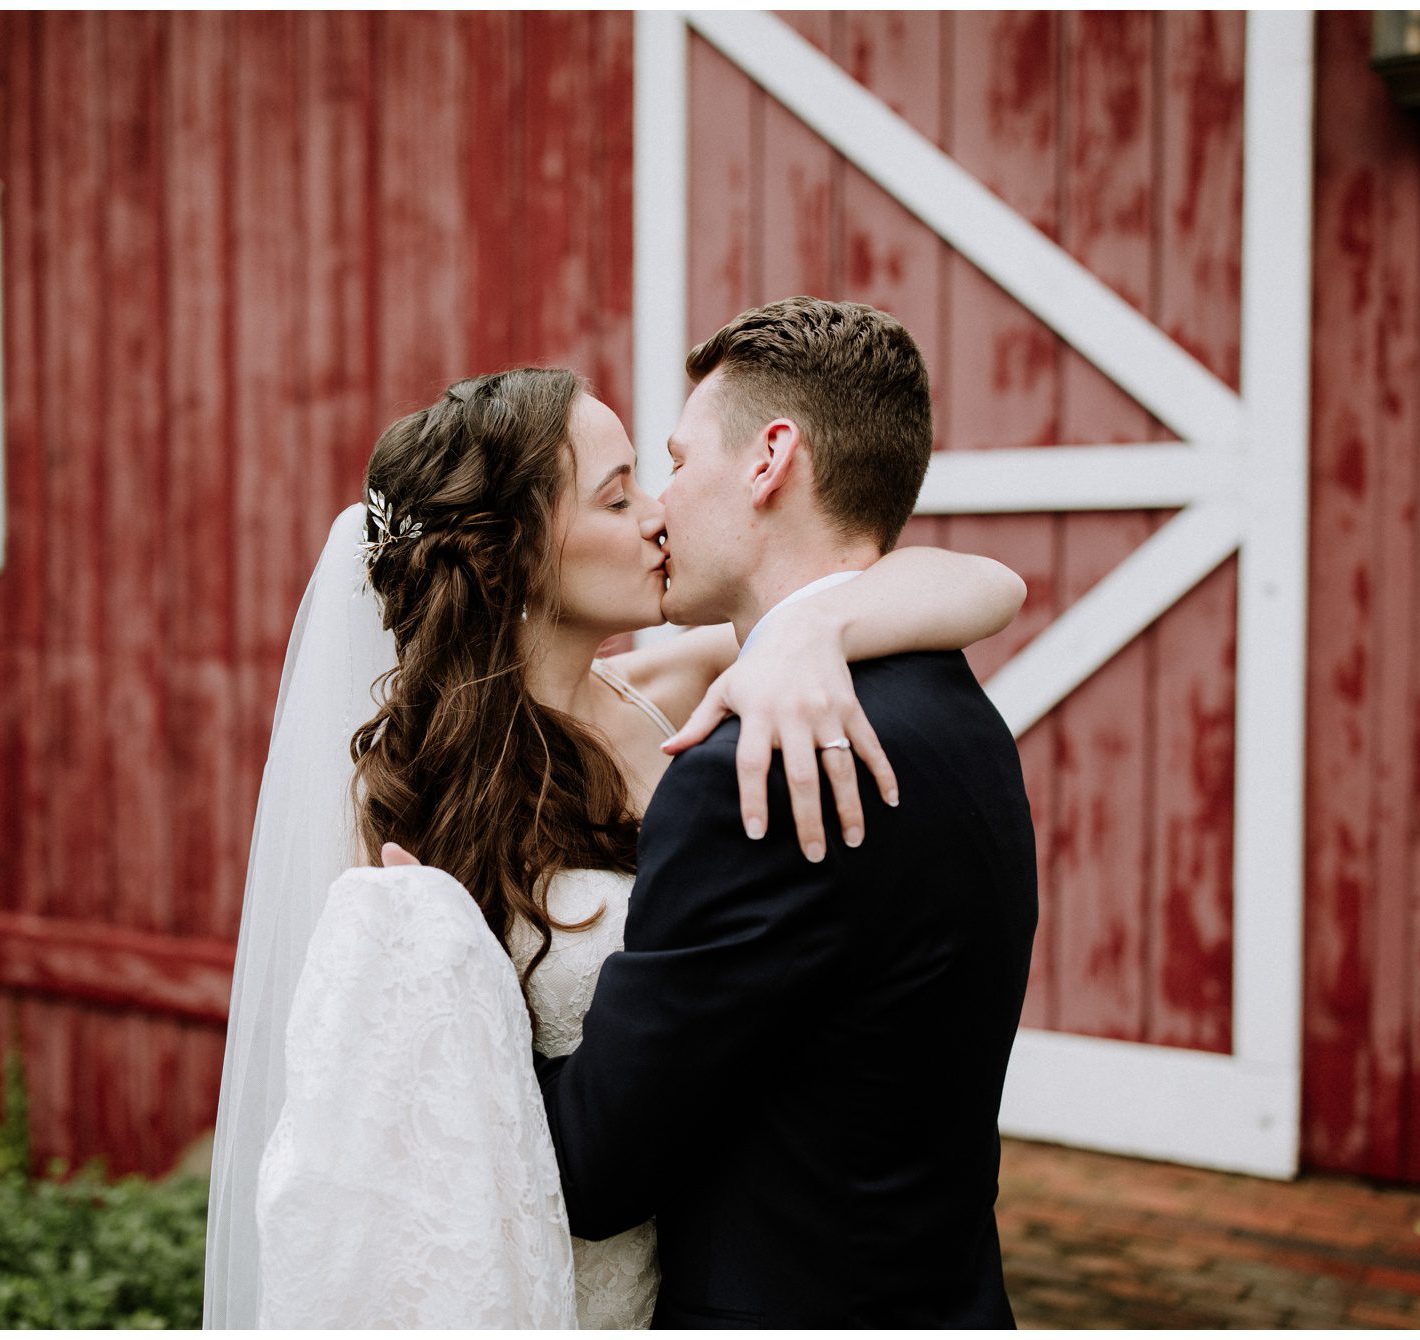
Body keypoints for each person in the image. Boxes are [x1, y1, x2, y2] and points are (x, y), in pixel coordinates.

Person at [204, 324, 1029, 1327]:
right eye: (620, 491)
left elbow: (987, 582)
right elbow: (382, 1107)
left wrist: (816, 626)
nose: (657, 515)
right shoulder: (406, 791)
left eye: (661, 471)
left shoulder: (695, 694)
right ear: (512, 551)